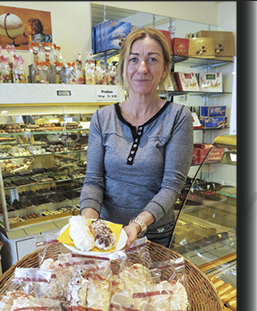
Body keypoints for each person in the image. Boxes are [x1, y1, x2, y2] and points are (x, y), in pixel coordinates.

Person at [80, 27, 194, 248]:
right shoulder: (102, 118)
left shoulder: (178, 117)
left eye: (152, 59)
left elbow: (172, 186)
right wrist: (88, 222)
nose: (142, 68)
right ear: (123, 67)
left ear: (165, 69)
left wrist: (136, 226)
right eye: (134, 59)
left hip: (154, 235)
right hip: (106, 233)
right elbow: (93, 180)